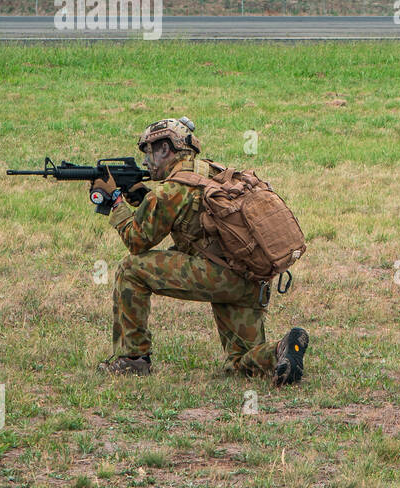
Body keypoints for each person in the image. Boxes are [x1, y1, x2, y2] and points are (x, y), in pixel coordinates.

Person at [89, 117, 309, 384]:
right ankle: (281, 349)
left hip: (219, 275)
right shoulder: (210, 171)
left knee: (130, 269)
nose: (145, 161)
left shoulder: (172, 190)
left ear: (165, 149)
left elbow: (137, 240)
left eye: (148, 152)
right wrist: (145, 196)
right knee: (240, 363)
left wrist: (116, 203)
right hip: (250, 275)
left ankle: (132, 360)